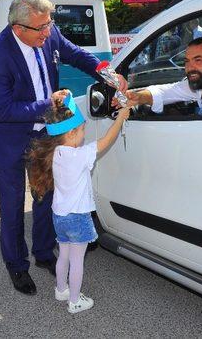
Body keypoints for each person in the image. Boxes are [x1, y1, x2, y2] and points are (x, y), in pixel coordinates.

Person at [0, 0, 127, 296]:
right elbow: (3, 110)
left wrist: (105, 73)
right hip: (7, 140)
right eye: (42, 28)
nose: (49, 32)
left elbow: (75, 53)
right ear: (19, 29)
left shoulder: (47, 30)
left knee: (46, 197)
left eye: (50, 24)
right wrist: (49, 103)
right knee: (12, 207)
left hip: (44, 134)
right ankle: (17, 265)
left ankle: (44, 252)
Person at [27, 94, 129, 313]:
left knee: (63, 255)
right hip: (78, 217)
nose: (84, 135)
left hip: (59, 216)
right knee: (77, 261)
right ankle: (74, 301)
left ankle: (61, 289)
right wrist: (120, 117)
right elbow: (106, 140)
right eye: (82, 130)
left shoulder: (54, 153)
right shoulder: (79, 155)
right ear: (71, 133)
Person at [122, 37, 202, 116]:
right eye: (187, 61)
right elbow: (168, 91)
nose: (189, 68)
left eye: (198, 60)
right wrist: (139, 97)